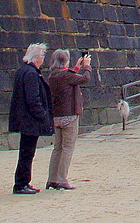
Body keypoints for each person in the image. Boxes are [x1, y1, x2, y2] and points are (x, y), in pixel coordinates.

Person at [8, 43, 53, 194]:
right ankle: (21, 184)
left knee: (26, 152)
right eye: (42, 56)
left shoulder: (23, 70)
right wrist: (43, 115)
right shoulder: (31, 73)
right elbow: (33, 99)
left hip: (24, 118)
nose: (43, 60)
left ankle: (23, 182)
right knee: (27, 153)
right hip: (29, 120)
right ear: (36, 57)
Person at [44, 48, 91, 190]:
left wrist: (77, 67)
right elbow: (85, 79)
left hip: (57, 116)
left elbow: (69, 77)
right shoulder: (66, 76)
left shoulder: (53, 76)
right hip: (69, 116)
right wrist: (87, 66)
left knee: (57, 148)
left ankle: (52, 179)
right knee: (67, 148)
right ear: (65, 61)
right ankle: (62, 179)